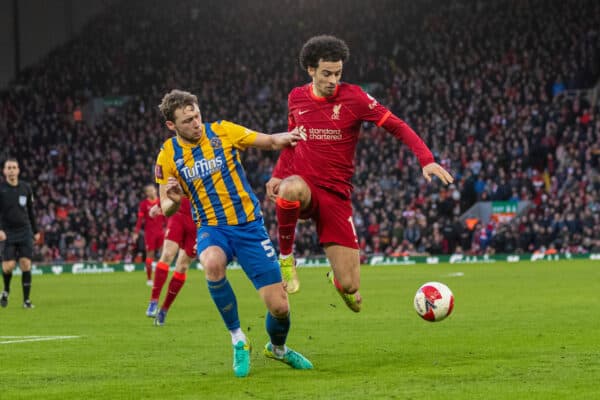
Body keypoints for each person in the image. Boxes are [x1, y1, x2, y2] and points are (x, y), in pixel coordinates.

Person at [266, 35, 454, 312]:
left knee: (352, 285)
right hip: (305, 186)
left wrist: (425, 159)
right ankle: (285, 259)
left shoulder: (354, 97)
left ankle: (338, 280)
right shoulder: (296, 97)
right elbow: (292, 140)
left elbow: (397, 126)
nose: (333, 80)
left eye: (338, 73)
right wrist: (278, 174)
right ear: (311, 70)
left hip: (337, 196)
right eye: (327, 73)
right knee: (290, 188)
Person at [155, 89, 312, 377]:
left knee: (279, 307)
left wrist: (288, 136)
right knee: (212, 263)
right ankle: (238, 338)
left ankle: (278, 349)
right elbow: (165, 206)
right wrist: (174, 200)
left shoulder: (223, 131)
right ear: (171, 125)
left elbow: (267, 140)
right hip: (212, 228)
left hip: (250, 227)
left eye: (197, 116)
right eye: (187, 120)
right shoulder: (168, 155)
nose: (196, 123)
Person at [145, 196, 196, 326]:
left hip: (199, 222)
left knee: (183, 267)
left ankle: (164, 310)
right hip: (179, 212)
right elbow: (173, 187)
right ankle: (154, 301)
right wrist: (160, 205)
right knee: (167, 255)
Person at [0, 158, 40, 309]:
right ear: (4, 171)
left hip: (24, 231)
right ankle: (6, 290)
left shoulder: (26, 188)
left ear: (18, 170)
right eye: (8, 168)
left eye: (14, 167)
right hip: (7, 232)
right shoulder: (1, 189)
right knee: (8, 266)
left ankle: (26, 301)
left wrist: (35, 231)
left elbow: (30, 211)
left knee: (26, 264)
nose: (11, 170)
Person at [133, 184, 167, 286]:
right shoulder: (144, 204)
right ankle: (149, 279)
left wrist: (168, 227)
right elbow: (140, 219)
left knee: (163, 255)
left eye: (153, 190)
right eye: (150, 190)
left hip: (161, 232)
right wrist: (136, 232)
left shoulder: (161, 202)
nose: (153, 191)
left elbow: (166, 216)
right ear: (146, 193)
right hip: (150, 234)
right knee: (150, 255)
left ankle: (161, 278)